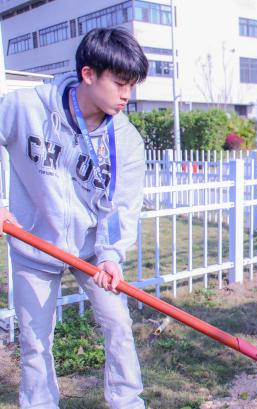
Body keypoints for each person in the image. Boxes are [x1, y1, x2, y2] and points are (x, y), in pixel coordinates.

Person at [0, 28, 148, 408]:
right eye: (120, 83)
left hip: (91, 250)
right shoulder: (25, 107)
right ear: (88, 74)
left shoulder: (127, 141)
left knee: (118, 325)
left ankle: (127, 402)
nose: (127, 95)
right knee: (35, 340)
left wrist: (110, 255)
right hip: (34, 244)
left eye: (132, 85)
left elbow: (121, 206)